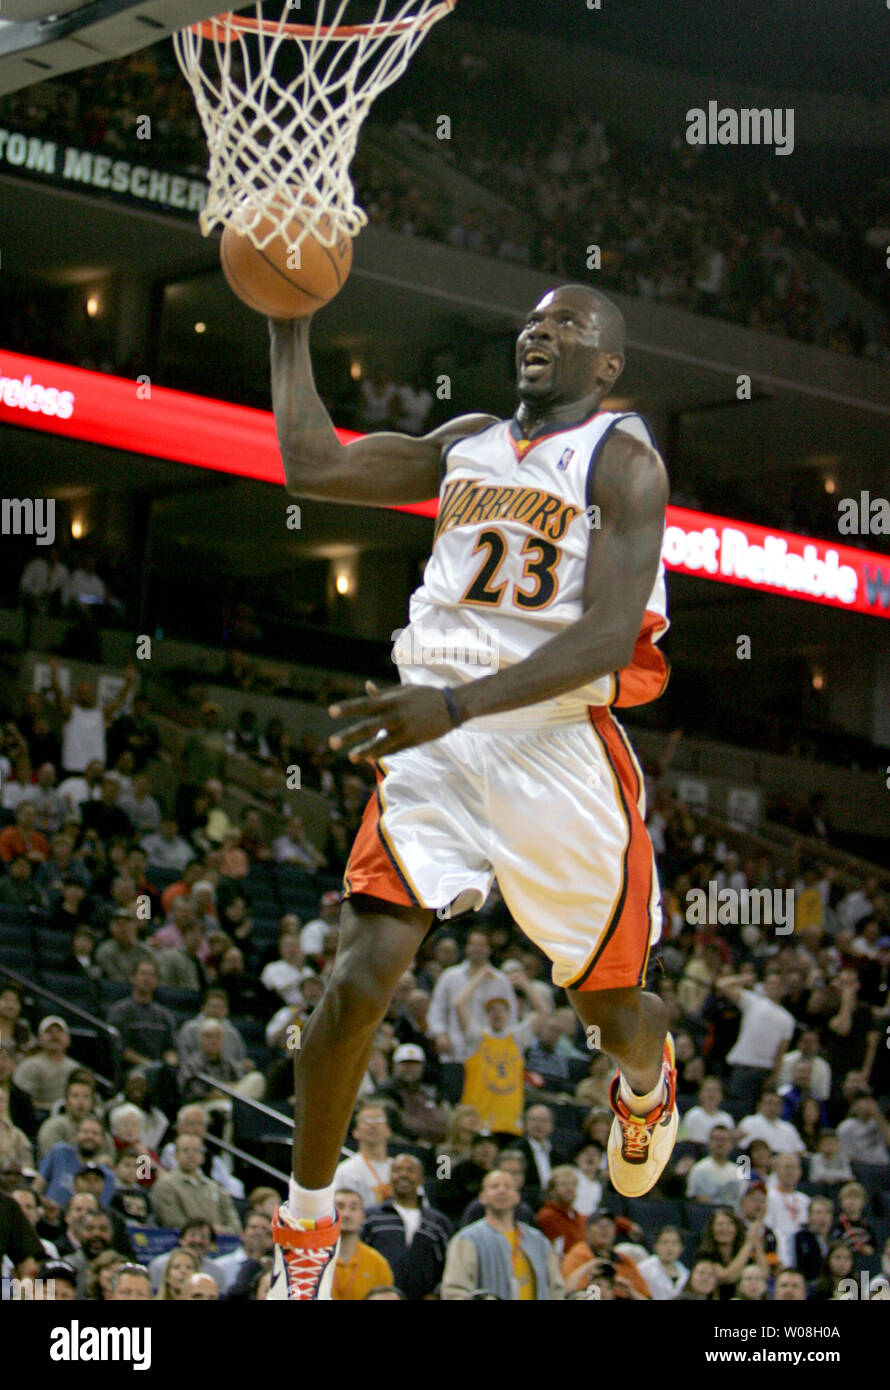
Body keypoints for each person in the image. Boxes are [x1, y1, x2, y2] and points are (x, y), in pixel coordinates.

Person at [269, 285, 676, 1298]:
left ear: (609, 365)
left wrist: (453, 706)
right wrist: (287, 316)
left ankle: (644, 1075)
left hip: (548, 747)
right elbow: (312, 463)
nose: (538, 331)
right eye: (531, 319)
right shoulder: (466, 441)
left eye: (568, 325)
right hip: (433, 741)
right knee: (358, 980)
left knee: (609, 1004)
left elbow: (599, 640)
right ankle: (307, 1221)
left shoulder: (624, 463)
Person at [441, 1168, 564, 1300]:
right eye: (494, 1186)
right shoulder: (467, 1239)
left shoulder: (538, 1240)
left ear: (517, 1197)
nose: (502, 1190)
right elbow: (454, 1291)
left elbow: (556, 1288)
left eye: (508, 1186)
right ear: (482, 1197)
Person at [359, 1153, 452, 1300]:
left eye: (410, 1170)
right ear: (390, 1177)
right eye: (397, 1170)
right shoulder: (370, 1218)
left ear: (422, 1178)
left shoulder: (437, 1223)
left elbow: (450, 1266)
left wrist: (435, 1294)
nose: (403, 1175)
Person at [716, 967, 797, 1112]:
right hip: (742, 1067)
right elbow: (722, 984)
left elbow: (781, 1051)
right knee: (736, 1109)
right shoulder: (753, 1001)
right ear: (764, 986)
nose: (774, 987)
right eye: (770, 983)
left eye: (777, 984)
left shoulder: (788, 1019)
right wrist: (744, 979)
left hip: (764, 1071)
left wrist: (774, 1076)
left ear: (784, 989)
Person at [150, 1135, 242, 1234]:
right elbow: (173, 1222)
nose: (191, 1155)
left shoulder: (214, 1187)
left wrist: (223, 1231)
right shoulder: (165, 1184)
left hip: (220, 1242)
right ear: (175, 1156)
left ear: (202, 1157)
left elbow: (234, 1222)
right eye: (185, 1150)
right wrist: (207, 1232)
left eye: (196, 1151)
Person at [561, 1209, 651, 1299]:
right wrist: (590, 1265)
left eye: (609, 1225)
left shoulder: (625, 1259)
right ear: (587, 1230)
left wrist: (630, 1291)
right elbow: (565, 1291)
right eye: (599, 1225)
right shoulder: (578, 1254)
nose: (604, 1229)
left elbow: (646, 1295)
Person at [329, 1188, 395, 1300]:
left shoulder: (378, 1264)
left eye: (353, 1208)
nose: (346, 1214)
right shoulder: (316, 1259)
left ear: (362, 1216)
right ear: (329, 1214)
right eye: (340, 1207)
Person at [12, 1017, 79, 1118]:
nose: (55, 1036)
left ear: (68, 1039)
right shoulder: (29, 1066)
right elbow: (21, 1102)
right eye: (49, 1032)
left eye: (59, 1032)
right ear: (39, 1038)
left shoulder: (75, 1068)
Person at [535, 1166, 586, 1256]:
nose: (570, 1189)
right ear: (552, 1191)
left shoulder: (576, 1215)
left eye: (573, 1184)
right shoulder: (548, 1216)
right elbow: (558, 1251)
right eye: (564, 1184)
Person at [677, 1076, 735, 1144]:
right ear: (700, 1094)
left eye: (715, 1091)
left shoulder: (727, 1118)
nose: (711, 1094)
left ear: (721, 1095)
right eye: (708, 1090)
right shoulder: (693, 1115)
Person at [636, 1225, 689, 1300]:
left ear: (681, 1248)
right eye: (664, 1242)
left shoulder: (685, 1273)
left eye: (674, 1243)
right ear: (655, 1246)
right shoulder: (643, 1268)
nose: (669, 1248)